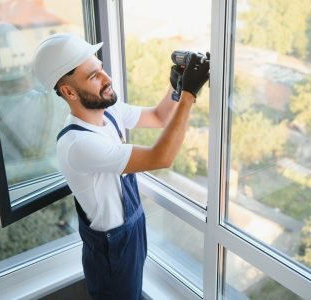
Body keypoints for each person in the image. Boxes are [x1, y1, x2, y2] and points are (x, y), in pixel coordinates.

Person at [32, 32, 210, 299]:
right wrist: (188, 95)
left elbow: (159, 116)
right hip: (112, 249)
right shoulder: (78, 144)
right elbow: (161, 157)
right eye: (94, 76)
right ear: (68, 91)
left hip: (131, 229)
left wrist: (176, 88)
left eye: (101, 69)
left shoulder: (109, 111)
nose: (107, 79)